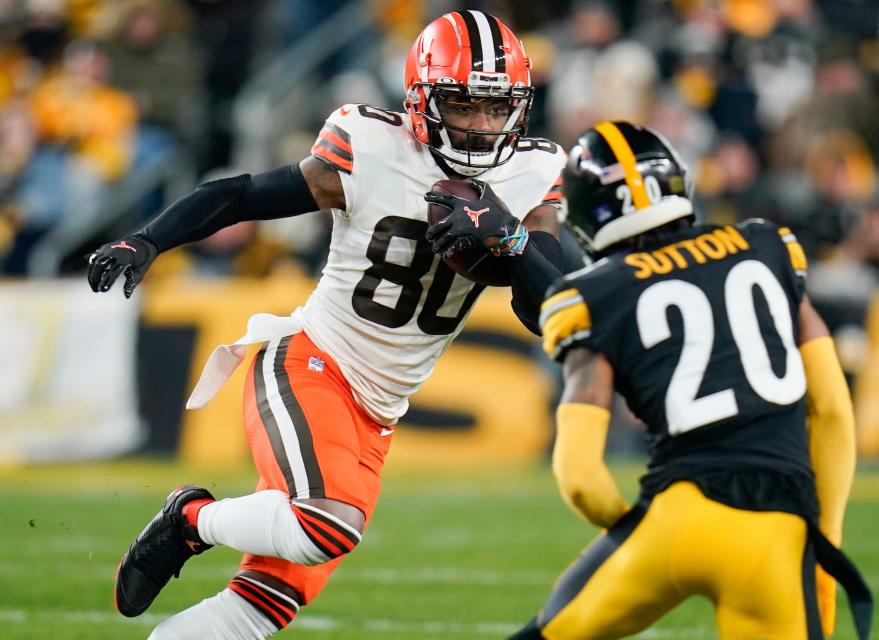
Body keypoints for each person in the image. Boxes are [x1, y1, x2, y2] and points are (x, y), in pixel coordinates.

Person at [86, 11, 566, 639]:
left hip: (380, 409)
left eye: (493, 108)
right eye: (461, 104)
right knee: (328, 524)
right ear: (422, 100)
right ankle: (190, 520)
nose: (479, 125)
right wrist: (148, 240)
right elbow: (243, 195)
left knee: (261, 605)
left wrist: (511, 238)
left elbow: (548, 305)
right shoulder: (371, 145)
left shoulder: (534, 169)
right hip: (312, 361)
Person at [509, 122, 872, 640]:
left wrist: (634, 529)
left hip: (677, 515)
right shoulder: (767, 246)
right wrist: (821, 531)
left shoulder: (590, 295)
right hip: (778, 529)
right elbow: (831, 410)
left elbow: (582, 478)